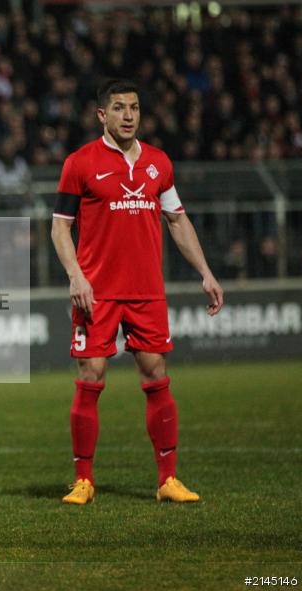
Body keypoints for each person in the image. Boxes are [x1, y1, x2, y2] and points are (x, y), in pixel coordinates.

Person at [50, 79, 224, 505]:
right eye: (119, 107)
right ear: (101, 115)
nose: (128, 115)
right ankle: (83, 480)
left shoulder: (159, 163)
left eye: (134, 107)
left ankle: (168, 480)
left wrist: (205, 272)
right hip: (97, 293)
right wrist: (76, 276)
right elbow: (60, 227)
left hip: (147, 290)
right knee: (90, 376)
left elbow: (177, 220)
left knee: (156, 375)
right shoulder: (79, 163)